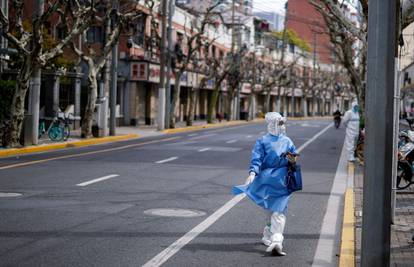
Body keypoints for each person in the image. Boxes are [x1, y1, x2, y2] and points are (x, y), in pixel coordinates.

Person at [232, 112, 297, 256]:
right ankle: (268, 235)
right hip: (267, 180)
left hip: (282, 181)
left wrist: (292, 160)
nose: (282, 126)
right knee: (270, 209)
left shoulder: (287, 141)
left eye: (282, 123)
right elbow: (257, 159)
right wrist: (252, 173)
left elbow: (294, 156)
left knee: (279, 210)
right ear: (272, 123)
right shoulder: (262, 141)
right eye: (280, 123)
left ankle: (276, 240)